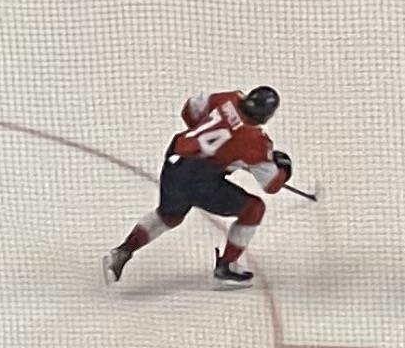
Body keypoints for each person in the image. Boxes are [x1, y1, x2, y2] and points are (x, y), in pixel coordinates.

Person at [105, 81, 291, 286]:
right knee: (254, 209)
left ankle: (122, 251)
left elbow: (189, 110)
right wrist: (284, 168)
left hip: (175, 160)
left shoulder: (228, 98)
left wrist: (205, 141)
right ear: (266, 116)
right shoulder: (256, 142)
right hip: (199, 179)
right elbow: (271, 185)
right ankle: (227, 267)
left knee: (169, 216)